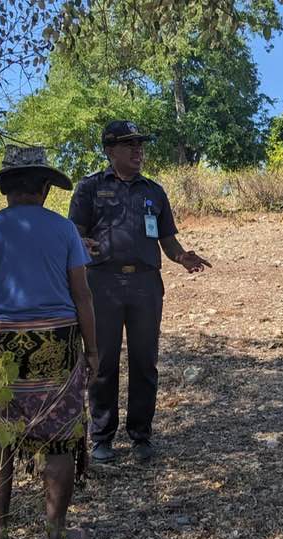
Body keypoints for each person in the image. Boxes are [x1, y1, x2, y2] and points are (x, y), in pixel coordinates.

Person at [0, 145, 99, 539]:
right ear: (44, 188)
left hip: (6, 344)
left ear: (5, 187)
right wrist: (93, 351)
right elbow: (82, 295)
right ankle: (54, 537)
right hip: (57, 343)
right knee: (60, 442)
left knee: (1, 441)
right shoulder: (63, 231)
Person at [69, 120, 211, 465]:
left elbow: (166, 238)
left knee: (145, 362)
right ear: (109, 150)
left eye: (140, 144)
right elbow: (73, 233)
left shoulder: (154, 191)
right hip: (102, 283)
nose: (137, 151)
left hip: (146, 284)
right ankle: (102, 437)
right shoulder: (89, 188)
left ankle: (141, 435)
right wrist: (81, 242)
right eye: (128, 144)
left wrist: (181, 256)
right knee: (102, 363)